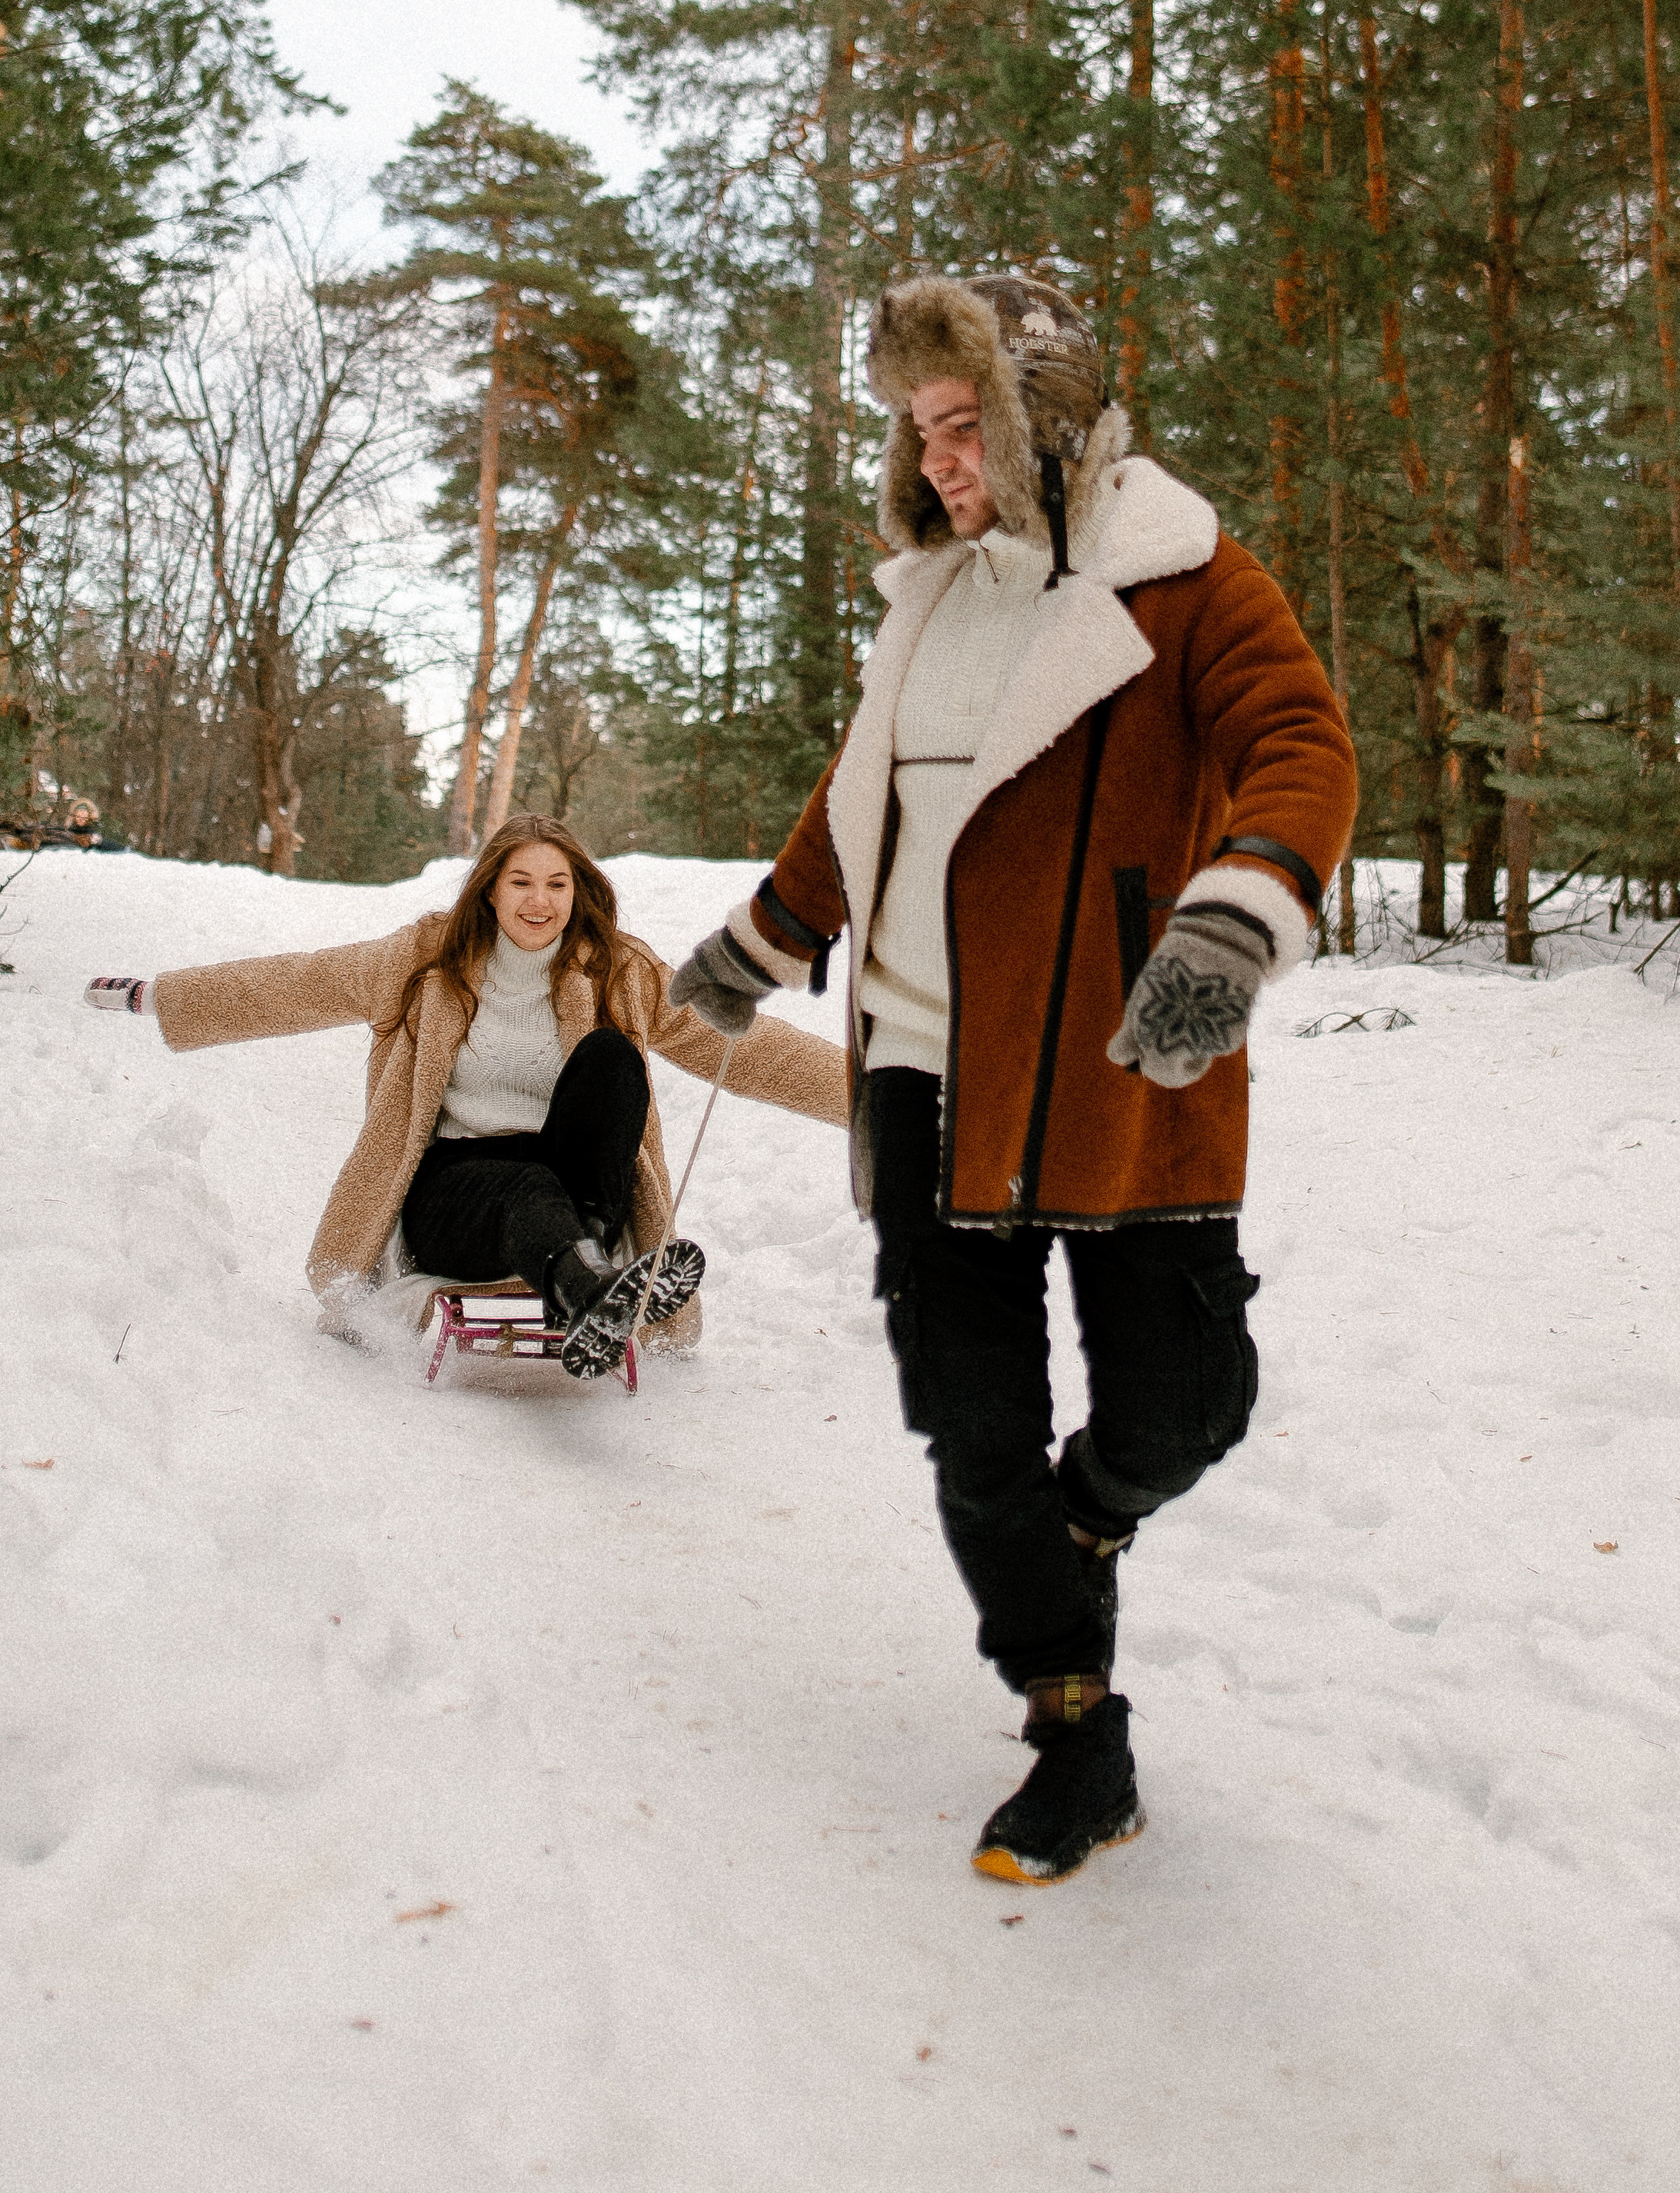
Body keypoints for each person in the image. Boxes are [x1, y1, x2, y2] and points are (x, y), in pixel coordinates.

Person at [671, 271, 1357, 1884]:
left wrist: (1231, 917)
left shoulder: (1185, 574)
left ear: (1045, 418)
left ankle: (1089, 1514)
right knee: (974, 1434)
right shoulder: (923, 602)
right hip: (923, 1076)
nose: (938, 457)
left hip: (1127, 1064)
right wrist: (763, 941)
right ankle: (1074, 1731)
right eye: (920, 428)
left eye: (965, 422)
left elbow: (1301, 747)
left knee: (1183, 1408)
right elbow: (859, 802)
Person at [85, 814, 848, 1377]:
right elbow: (299, 984)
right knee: (524, 1189)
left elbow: (746, 1047)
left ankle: (590, 1272)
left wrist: (875, 1099)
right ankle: (590, 1294)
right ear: (490, 890)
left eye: (557, 884)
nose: (540, 901)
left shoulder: (617, 971)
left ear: (578, 891)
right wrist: (160, 997)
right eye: (521, 882)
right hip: (454, 1192)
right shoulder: (425, 959)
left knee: (614, 1058)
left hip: (577, 1193)